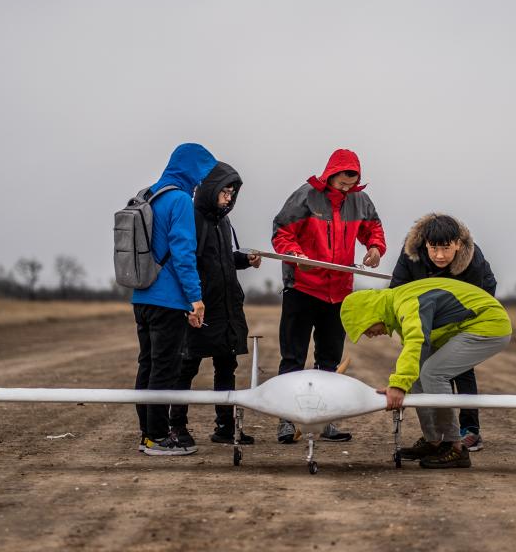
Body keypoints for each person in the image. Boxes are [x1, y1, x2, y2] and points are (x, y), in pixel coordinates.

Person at [271, 148, 387, 443]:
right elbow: (281, 231)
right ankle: (287, 419)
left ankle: (326, 421)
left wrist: (374, 248)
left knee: (330, 360)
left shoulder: (360, 200)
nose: (347, 189)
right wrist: (294, 254)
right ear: (331, 175)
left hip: (339, 293)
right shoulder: (305, 196)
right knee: (293, 356)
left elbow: (374, 229)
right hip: (302, 288)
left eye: (352, 184)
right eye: (342, 183)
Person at [340, 278, 512, 469]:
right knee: (419, 372)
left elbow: (416, 342)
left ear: (370, 314)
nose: (369, 335)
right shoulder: (395, 307)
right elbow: (412, 358)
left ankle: (454, 447)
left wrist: (397, 386)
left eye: (365, 330)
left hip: (488, 324)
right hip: (464, 326)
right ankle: (434, 442)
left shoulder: (405, 304)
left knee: (433, 373)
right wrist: (402, 388)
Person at [168, 162, 261, 447]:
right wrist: (191, 302)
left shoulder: (223, 220)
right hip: (199, 307)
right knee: (186, 367)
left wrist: (244, 259)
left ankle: (225, 427)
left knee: (226, 366)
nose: (229, 197)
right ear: (210, 190)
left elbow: (221, 260)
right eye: (225, 191)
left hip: (227, 309)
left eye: (233, 193)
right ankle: (177, 426)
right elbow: (186, 262)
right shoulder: (192, 218)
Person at [133, 143, 217, 456]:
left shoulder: (149, 195)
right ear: (192, 169)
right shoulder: (179, 200)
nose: (201, 182)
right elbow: (183, 254)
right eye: (202, 173)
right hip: (167, 300)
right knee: (164, 370)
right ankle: (157, 437)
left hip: (141, 296)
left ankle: (146, 434)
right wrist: (195, 298)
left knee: (147, 365)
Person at [389, 213, 497, 452]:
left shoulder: (473, 261)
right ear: (424, 243)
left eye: (446, 249)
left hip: (468, 307)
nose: (439, 255)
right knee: (422, 366)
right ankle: (434, 437)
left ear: (458, 244)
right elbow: (397, 292)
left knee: (459, 366)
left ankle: (470, 431)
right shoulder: (410, 253)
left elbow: (475, 302)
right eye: (434, 248)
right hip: (430, 308)